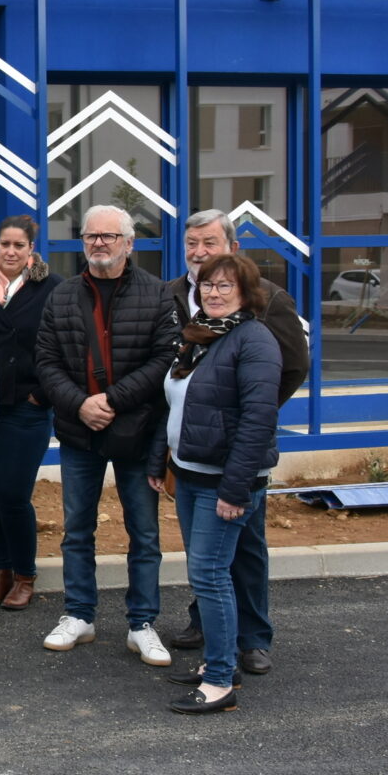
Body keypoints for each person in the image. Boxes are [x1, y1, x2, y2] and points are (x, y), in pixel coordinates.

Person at [162, 209, 309, 675]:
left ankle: (252, 639)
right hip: (192, 452)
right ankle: (208, 627)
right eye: (192, 243)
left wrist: (244, 417)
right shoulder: (171, 296)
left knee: (242, 548)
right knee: (206, 556)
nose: (199, 253)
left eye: (209, 242)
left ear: (233, 249)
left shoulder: (268, 303)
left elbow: (289, 369)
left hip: (236, 458)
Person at [34, 204, 178, 664]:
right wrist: (81, 403)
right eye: (91, 236)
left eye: (109, 237)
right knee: (77, 529)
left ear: (129, 243)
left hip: (136, 431)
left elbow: (164, 361)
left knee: (144, 532)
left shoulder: (157, 295)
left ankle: (142, 624)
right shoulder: (61, 296)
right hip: (80, 432)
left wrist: (113, 400)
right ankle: (79, 614)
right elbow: (46, 361)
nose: (99, 243)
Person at [147, 252, 283, 715]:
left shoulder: (255, 340)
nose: (214, 293)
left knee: (210, 574)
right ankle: (219, 662)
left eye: (225, 286)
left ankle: (221, 681)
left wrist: (234, 489)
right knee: (207, 573)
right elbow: (174, 406)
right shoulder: (200, 337)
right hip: (189, 474)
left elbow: (259, 419)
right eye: (207, 285)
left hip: (223, 482)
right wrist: (157, 460)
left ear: (246, 293)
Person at [0, 216, 63, 611]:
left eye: (19, 246)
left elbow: (67, 345)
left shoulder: (52, 288)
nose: (10, 252)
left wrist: (42, 396)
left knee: (11, 494)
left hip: (26, 409)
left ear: (31, 250)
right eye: (5, 244)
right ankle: (1, 572)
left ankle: (25, 576)